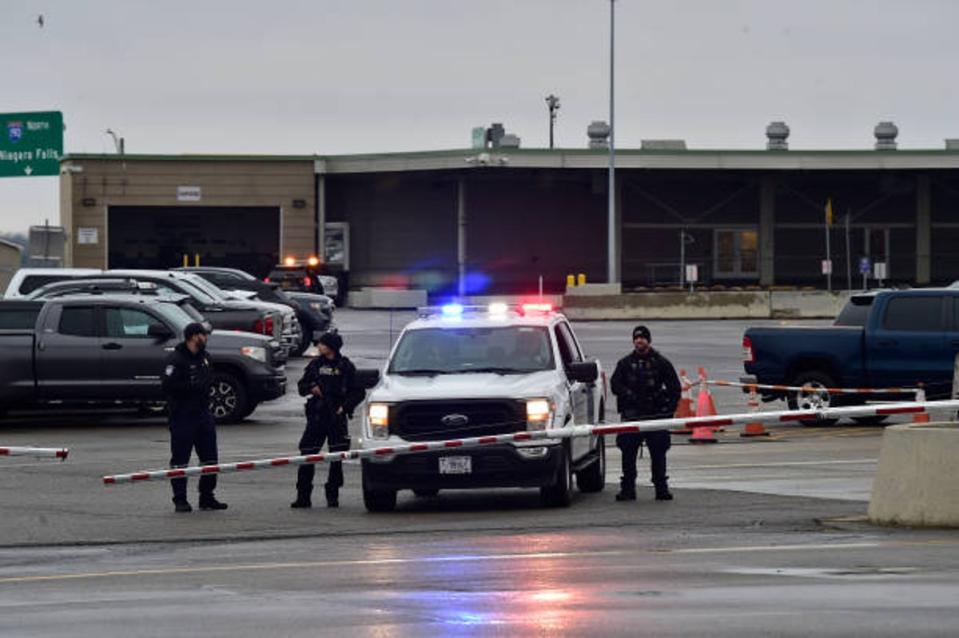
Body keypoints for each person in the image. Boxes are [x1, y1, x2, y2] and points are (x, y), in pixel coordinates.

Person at [291, 331, 366, 508]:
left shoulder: (345, 366)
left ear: (331, 347)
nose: (318, 347)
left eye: (322, 344)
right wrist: (312, 388)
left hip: (336, 417)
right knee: (307, 454)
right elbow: (302, 386)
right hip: (317, 416)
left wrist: (345, 407)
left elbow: (358, 392)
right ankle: (303, 496)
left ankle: (332, 495)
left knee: (336, 458)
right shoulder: (315, 365)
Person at [609, 325, 681, 502]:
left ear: (648, 340)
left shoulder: (660, 362)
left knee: (658, 453)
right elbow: (615, 385)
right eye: (636, 338)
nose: (639, 341)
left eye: (642, 338)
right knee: (628, 454)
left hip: (655, 415)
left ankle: (661, 489)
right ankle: (628, 489)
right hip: (632, 416)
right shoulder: (625, 364)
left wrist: (668, 412)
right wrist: (628, 394)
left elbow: (674, 388)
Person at [161, 322, 227, 513]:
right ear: (193, 337)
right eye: (203, 335)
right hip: (183, 415)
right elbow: (167, 386)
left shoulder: (205, 358)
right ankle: (180, 499)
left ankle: (207, 496)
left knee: (210, 458)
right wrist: (192, 387)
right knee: (180, 459)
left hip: (203, 414)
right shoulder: (176, 359)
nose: (205, 338)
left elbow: (209, 380)